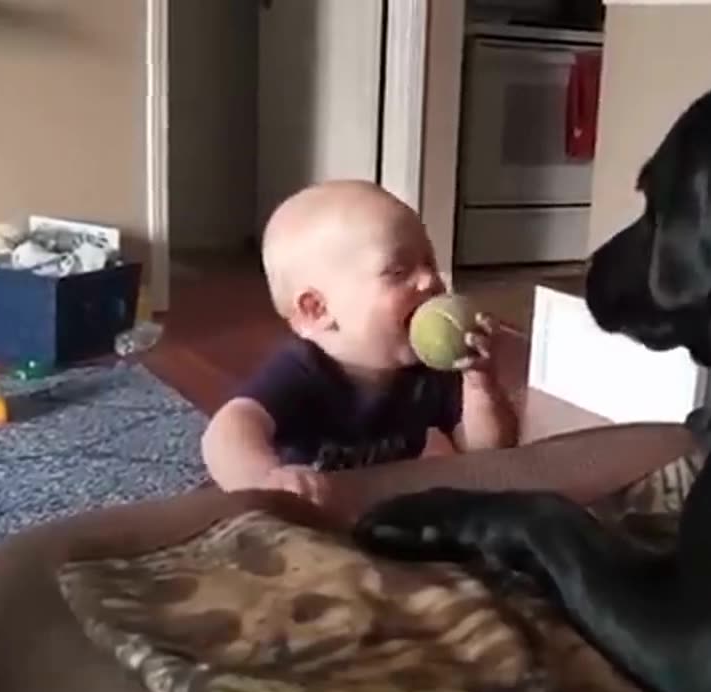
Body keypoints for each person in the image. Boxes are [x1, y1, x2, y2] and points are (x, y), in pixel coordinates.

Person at [201, 179, 520, 511]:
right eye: (397, 271)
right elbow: (225, 433)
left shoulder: (428, 369)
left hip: (378, 506)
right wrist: (266, 481)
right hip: (304, 512)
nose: (430, 280)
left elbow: (488, 452)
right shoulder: (302, 369)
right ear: (317, 309)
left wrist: (481, 384)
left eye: (429, 262)